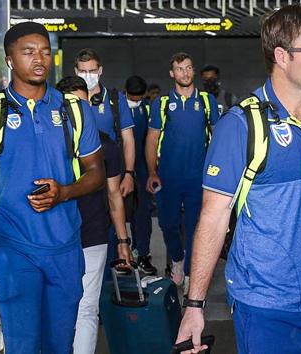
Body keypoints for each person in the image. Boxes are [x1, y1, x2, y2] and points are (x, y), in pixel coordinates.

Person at [176, 5, 301, 353]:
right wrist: (195, 306)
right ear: (282, 56)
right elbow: (213, 219)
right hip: (266, 308)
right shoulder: (241, 126)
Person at [0, 22, 103, 353]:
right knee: (23, 346)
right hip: (13, 247)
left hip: (65, 246)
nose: (39, 59)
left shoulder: (74, 110)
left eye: (45, 52)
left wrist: (64, 192)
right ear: (9, 59)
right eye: (29, 52)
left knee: (60, 345)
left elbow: (95, 172)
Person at [56, 76, 133, 354]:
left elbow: (114, 195)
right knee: (58, 306)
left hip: (93, 234)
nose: (82, 112)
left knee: (87, 307)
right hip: (54, 237)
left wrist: (123, 241)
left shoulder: (105, 145)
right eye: (75, 105)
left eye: (86, 105)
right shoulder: (48, 142)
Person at [146, 53, 220, 286]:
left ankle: (189, 273)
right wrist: (152, 172)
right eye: (180, 69)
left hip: (197, 178)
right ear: (172, 73)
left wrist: (217, 172)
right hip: (168, 177)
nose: (185, 73)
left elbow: (217, 138)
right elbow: (151, 139)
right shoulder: (162, 103)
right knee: (167, 224)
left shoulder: (207, 102)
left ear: (193, 70)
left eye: (188, 68)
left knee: (194, 227)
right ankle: (177, 259)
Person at [73, 48, 136, 198]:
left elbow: (128, 139)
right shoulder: (65, 99)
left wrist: (128, 174)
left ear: (100, 70)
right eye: (83, 71)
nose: (88, 76)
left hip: (110, 168)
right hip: (76, 171)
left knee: (113, 207)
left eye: (92, 71)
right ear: (76, 71)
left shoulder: (116, 99)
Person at [124, 75, 157, 275]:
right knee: (116, 213)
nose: (135, 101)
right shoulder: (117, 108)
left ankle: (142, 253)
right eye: (132, 97)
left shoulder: (147, 109)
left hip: (143, 169)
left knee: (142, 213)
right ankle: (120, 256)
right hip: (121, 170)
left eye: (138, 98)